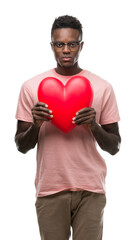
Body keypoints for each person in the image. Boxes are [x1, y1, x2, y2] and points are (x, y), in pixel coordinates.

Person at [15, 15, 121, 240]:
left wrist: (94, 125)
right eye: (59, 44)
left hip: (90, 189)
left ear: (81, 45)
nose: (66, 50)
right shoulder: (31, 87)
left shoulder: (102, 87)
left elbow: (114, 146)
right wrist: (36, 125)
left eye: (72, 44)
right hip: (50, 189)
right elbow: (21, 146)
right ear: (51, 45)